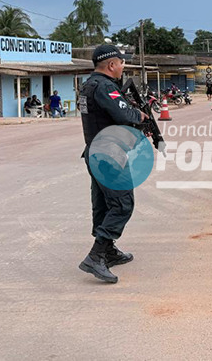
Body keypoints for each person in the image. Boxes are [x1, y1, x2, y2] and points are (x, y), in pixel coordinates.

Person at [77, 45, 149, 284]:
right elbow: (124, 115)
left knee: (103, 204)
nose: (122, 67)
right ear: (111, 65)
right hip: (108, 155)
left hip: (95, 152)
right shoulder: (105, 87)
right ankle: (96, 256)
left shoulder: (89, 85)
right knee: (122, 204)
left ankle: (107, 251)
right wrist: (139, 116)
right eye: (121, 62)